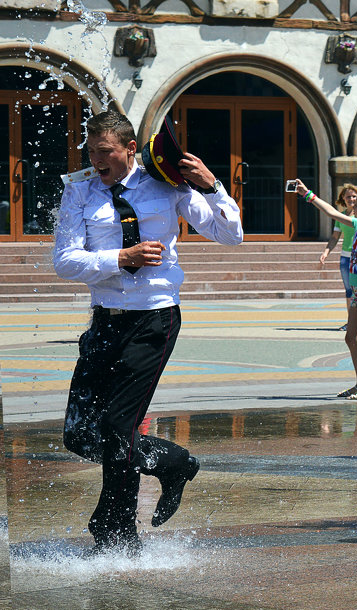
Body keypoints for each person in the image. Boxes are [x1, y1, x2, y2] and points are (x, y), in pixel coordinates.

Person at [54, 110, 243, 556]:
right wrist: (120, 258)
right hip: (105, 320)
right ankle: (174, 462)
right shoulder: (80, 191)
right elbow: (64, 260)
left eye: (105, 152)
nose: (97, 161)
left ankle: (116, 537)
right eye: (91, 152)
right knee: (79, 434)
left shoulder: (168, 183)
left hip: (153, 319)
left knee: (119, 428)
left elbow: (229, 235)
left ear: (130, 149)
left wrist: (212, 185)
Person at [294, 180, 357, 400]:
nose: (352, 204)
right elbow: (331, 212)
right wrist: (307, 194)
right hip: (356, 290)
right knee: (350, 338)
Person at [317, 184, 357, 332]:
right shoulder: (340, 216)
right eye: (348, 196)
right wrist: (326, 252)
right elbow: (335, 237)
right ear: (343, 198)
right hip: (345, 258)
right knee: (349, 291)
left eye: (354, 196)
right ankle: (351, 322)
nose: (351, 199)